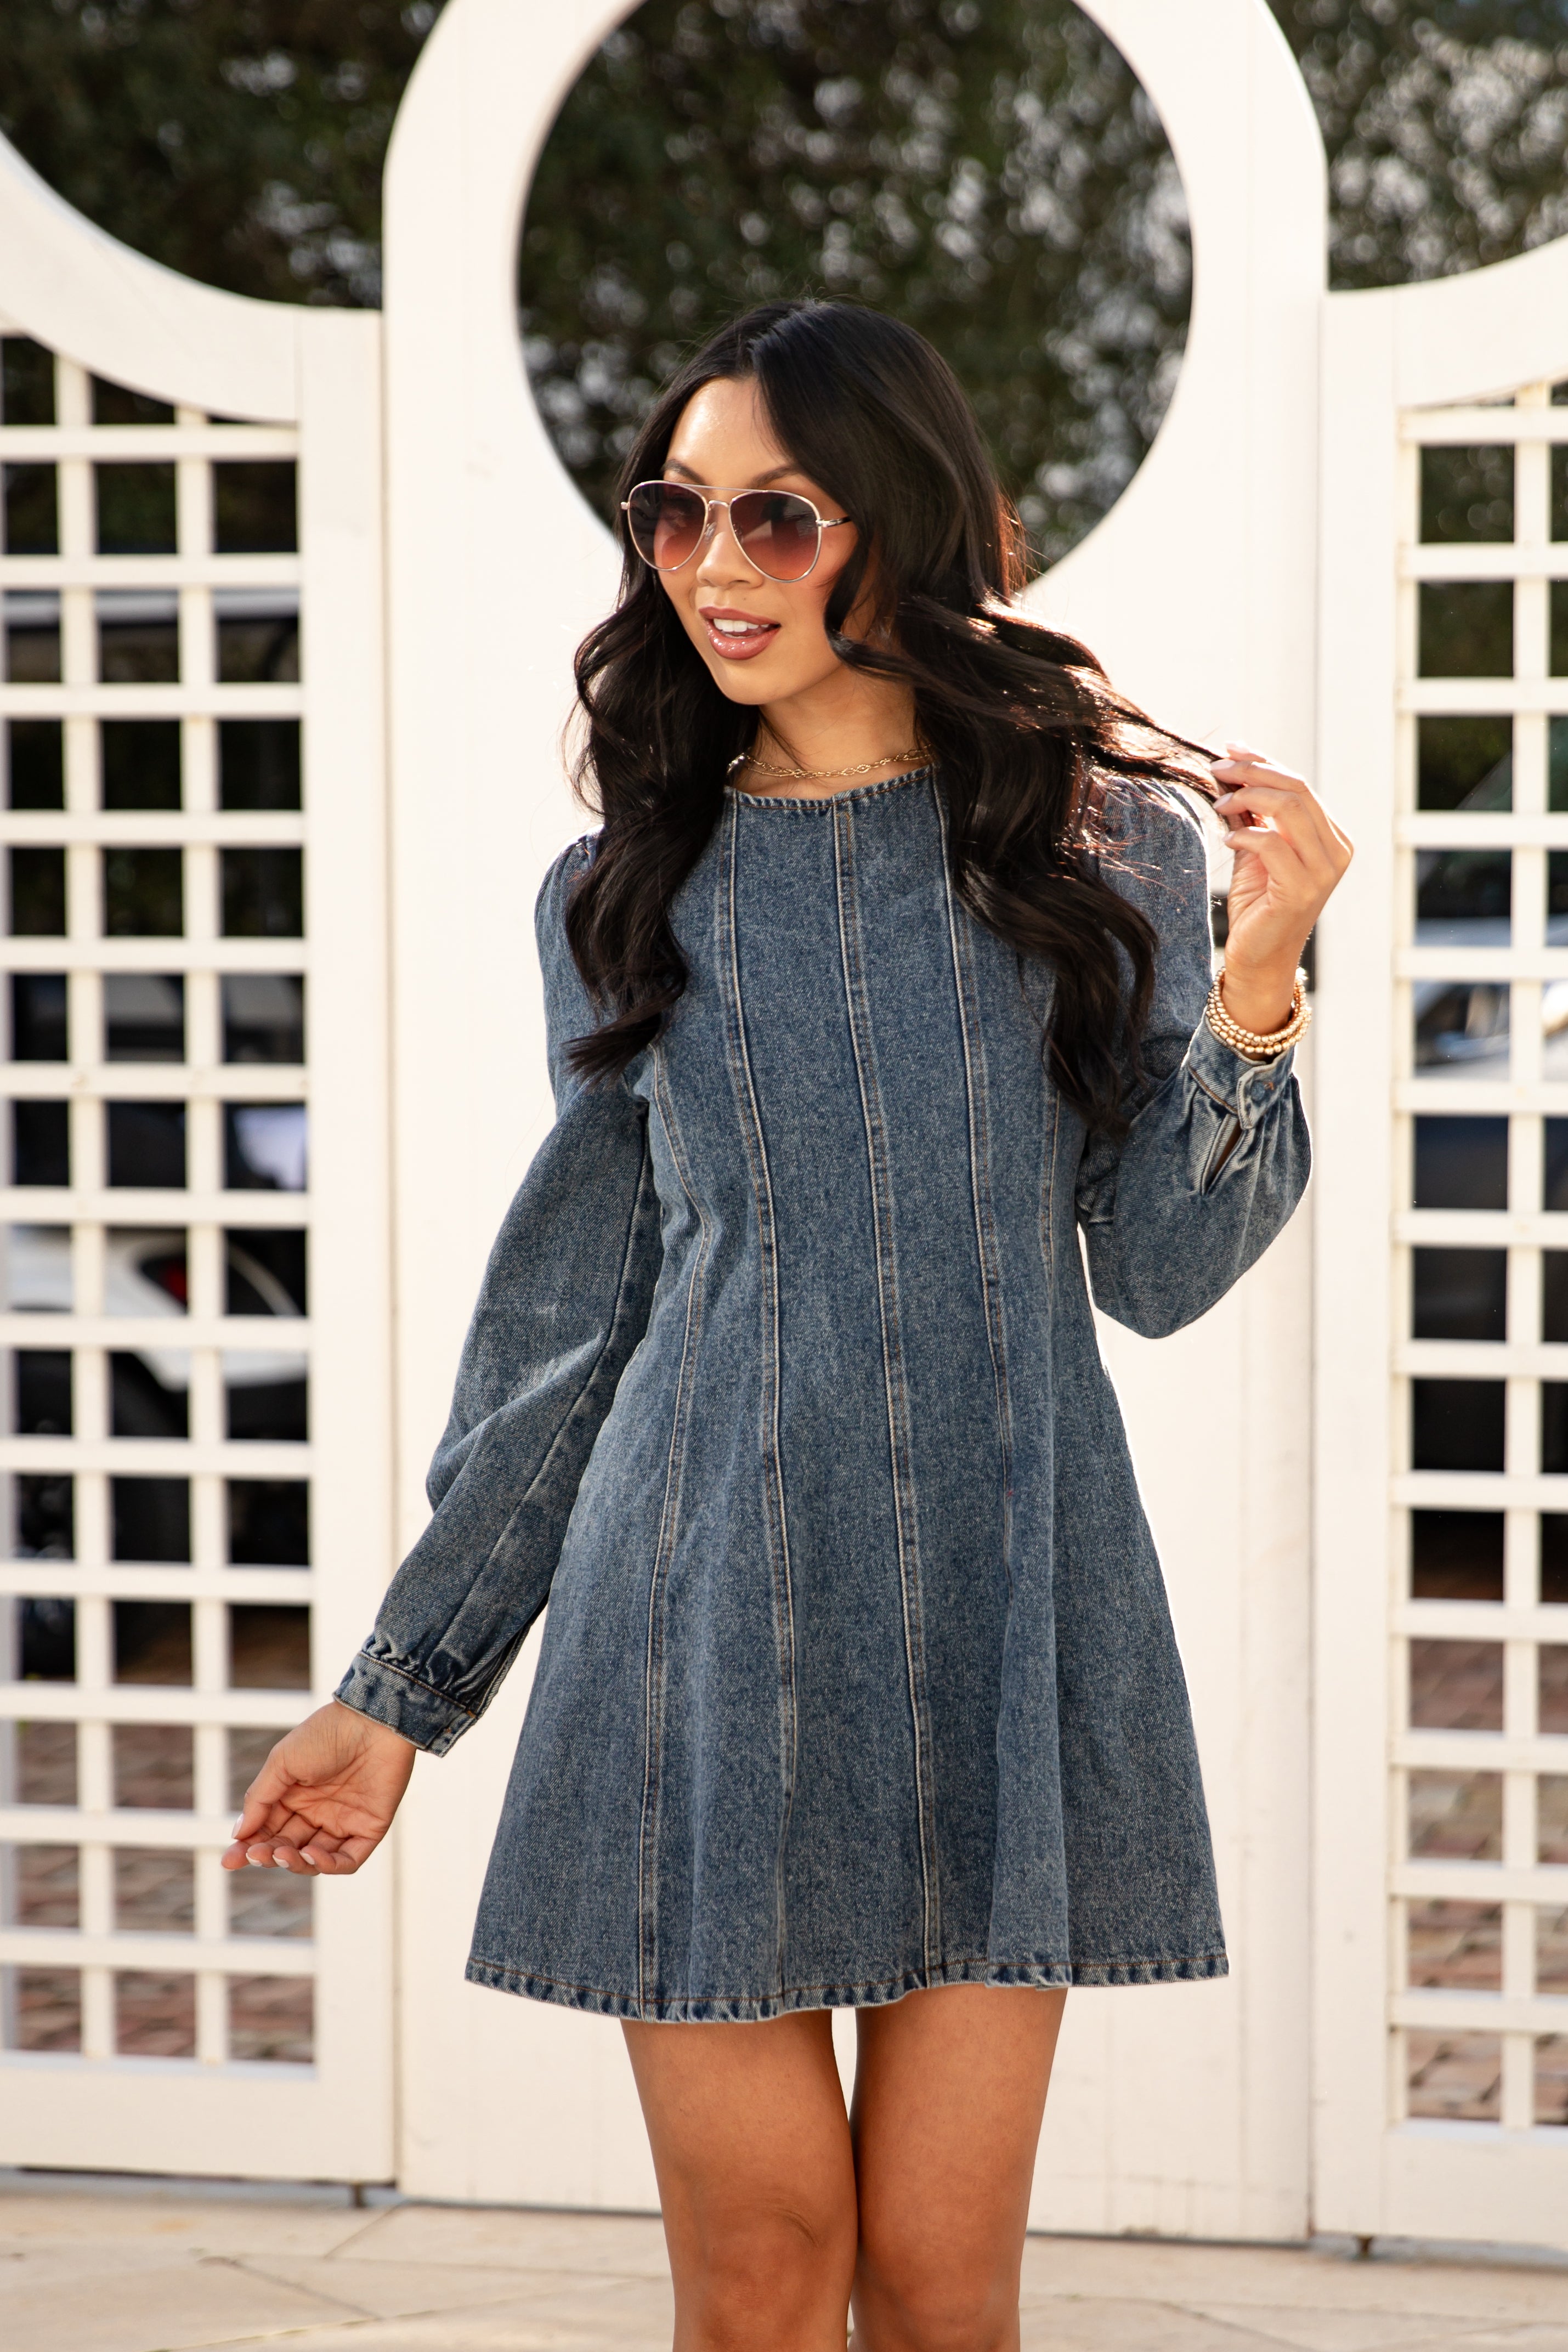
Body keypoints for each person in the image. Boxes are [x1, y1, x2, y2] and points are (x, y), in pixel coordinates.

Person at [224, 299, 1351, 2352]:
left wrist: (1261, 987)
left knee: (937, 2296)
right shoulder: (625, 892)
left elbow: (1165, 1276)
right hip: (701, 1618)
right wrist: (400, 1691)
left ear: (898, 527)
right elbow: (579, 1325)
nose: (713, 567)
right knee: (758, 2291)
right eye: (676, 515)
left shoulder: (1106, 856)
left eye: (779, 516)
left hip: (1004, 1614)